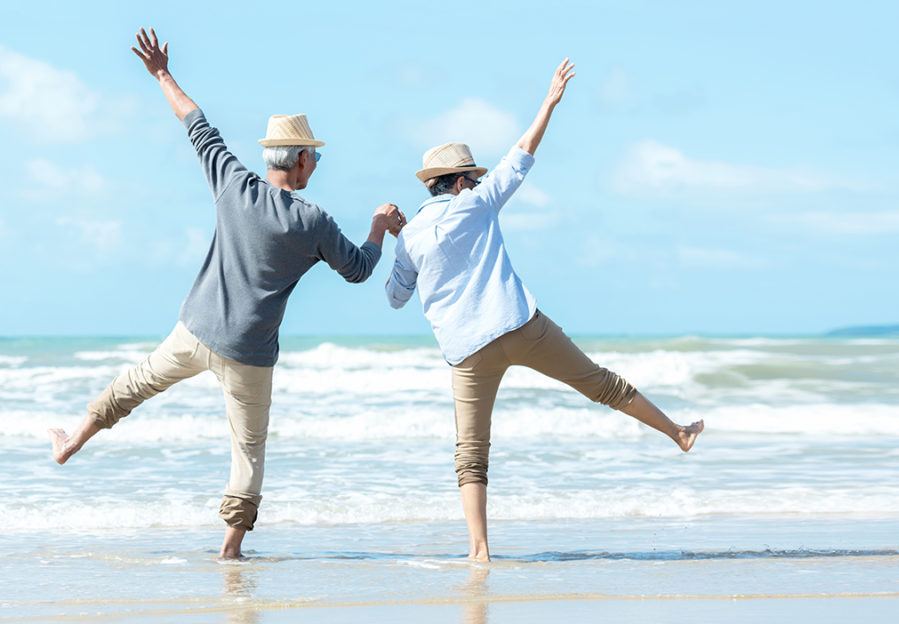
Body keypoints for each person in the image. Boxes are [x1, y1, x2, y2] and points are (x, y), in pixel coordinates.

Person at [47, 28, 405, 559]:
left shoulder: (232, 182)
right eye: (315, 159)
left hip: (195, 330)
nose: (315, 167)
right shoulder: (313, 221)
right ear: (302, 159)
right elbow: (358, 269)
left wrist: (161, 72)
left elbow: (194, 122)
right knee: (248, 450)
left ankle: (72, 440)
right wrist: (378, 226)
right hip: (250, 353)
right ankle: (230, 549)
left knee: (135, 383)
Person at [385, 59, 703, 561]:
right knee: (600, 384)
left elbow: (396, 296)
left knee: (471, 454)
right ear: (463, 180)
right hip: (518, 323)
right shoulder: (478, 203)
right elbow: (522, 154)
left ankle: (480, 550)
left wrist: (389, 233)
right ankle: (678, 433)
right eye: (472, 175)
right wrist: (550, 101)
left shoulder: (410, 237)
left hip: (466, 351)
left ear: (433, 185)